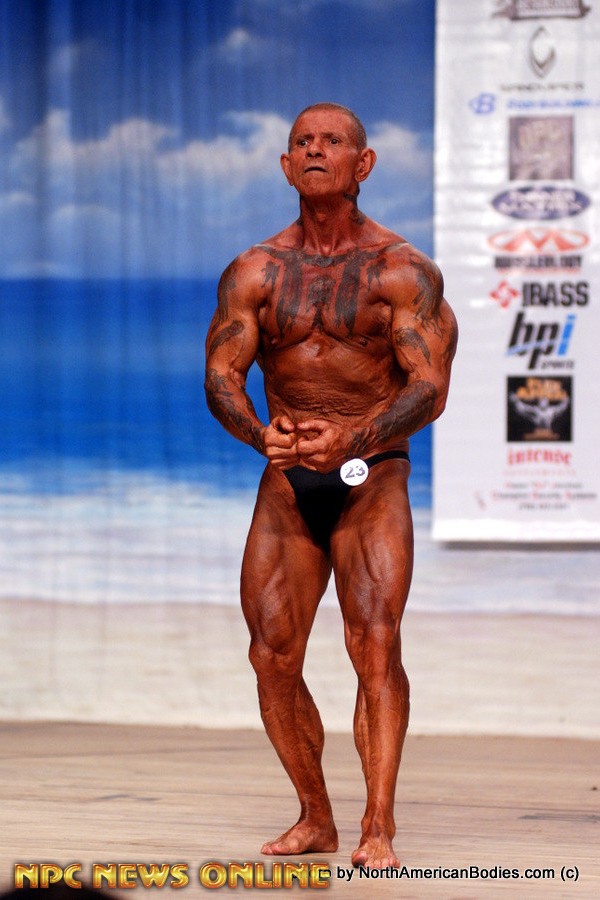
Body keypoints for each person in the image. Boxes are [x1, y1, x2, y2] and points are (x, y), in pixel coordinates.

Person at [204, 102, 457, 869]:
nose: (316, 151)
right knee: (270, 656)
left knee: (372, 645)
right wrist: (259, 433)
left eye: (332, 142)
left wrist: (358, 434)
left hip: (371, 476)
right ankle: (315, 816)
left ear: (363, 163)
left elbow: (430, 387)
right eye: (302, 143)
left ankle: (378, 825)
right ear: (287, 166)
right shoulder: (254, 271)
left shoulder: (402, 272)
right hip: (288, 484)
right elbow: (221, 375)